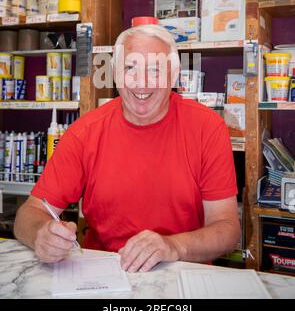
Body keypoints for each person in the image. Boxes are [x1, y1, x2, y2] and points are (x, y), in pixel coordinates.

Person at [14, 24, 240, 273]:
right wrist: (40, 234)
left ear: (174, 76)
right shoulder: (85, 132)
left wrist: (173, 246)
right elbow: (29, 213)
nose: (141, 82)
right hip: (102, 274)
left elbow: (227, 229)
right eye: (130, 68)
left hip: (182, 273)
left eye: (154, 70)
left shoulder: (207, 127)